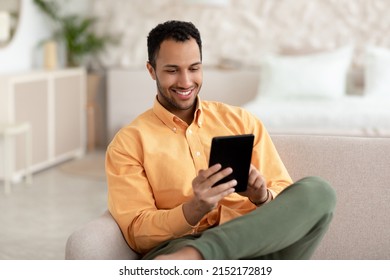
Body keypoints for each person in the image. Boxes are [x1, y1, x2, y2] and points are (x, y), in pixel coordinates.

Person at [105, 20, 336, 260]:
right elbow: (137, 232)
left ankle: (199, 256)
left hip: (255, 241)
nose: (185, 82)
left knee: (319, 191)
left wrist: (262, 197)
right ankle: (196, 254)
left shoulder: (241, 120)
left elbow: (286, 199)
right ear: (151, 70)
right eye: (172, 71)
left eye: (194, 68)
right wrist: (193, 209)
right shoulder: (128, 143)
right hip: (178, 249)